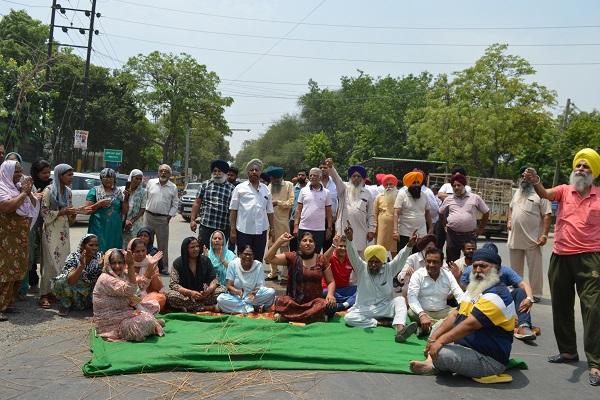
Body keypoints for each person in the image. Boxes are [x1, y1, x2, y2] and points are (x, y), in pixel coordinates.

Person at [523, 148, 600, 386]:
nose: (581, 169)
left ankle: (596, 362)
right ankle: (568, 351)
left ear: (594, 172)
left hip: (590, 258)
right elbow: (545, 193)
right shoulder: (564, 191)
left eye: (586, 166)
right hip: (561, 256)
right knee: (561, 305)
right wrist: (535, 181)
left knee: (593, 308)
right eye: (578, 165)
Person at [409, 245, 516, 378]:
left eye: (483, 266)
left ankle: (435, 364)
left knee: (442, 353)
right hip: (469, 345)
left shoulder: (497, 295)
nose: (478, 270)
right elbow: (455, 314)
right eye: (475, 266)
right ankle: (430, 362)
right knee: (438, 327)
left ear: (497, 269)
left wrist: (440, 341)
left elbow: (470, 325)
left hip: (488, 358)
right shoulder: (475, 289)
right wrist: (433, 338)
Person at [343, 223, 419, 343]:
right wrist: (350, 239)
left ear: (382, 262)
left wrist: (409, 245)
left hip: (384, 308)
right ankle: (382, 323)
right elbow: (353, 255)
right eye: (371, 261)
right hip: (365, 309)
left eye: (376, 262)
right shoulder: (361, 268)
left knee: (399, 300)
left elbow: (400, 258)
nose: (373, 264)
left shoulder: (389, 269)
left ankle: (400, 329)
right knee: (349, 318)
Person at [460, 243, 536, 342]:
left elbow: (523, 284)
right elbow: (462, 286)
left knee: (520, 292)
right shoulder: (471, 269)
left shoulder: (505, 270)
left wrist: (529, 298)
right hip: (479, 301)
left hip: (501, 301)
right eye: (477, 265)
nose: (479, 269)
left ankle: (524, 325)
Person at [93, 249, 164, 342]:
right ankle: (151, 325)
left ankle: (151, 324)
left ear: (124, 263)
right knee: (147, 320)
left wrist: (150, 265)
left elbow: (141, 286)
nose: (117, 266)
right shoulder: (105, 278)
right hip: (112, 323)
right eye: (113, 263)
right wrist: (131, 265)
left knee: (154, 304)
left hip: (126, 312)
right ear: (108, 264)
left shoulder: (124, 274)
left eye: (120, 262)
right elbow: (130, 290)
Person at [265, 232, 337, 323]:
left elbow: (331, 281)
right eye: (304, 240)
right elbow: (268, 259)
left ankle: (288, 317)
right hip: (294, 302)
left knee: (331, 307)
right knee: (280, 301)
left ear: (314, 245)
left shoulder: (321, 259)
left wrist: (330, 294)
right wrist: (279, 241)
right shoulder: (292, 257)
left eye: (311, 241)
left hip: (314, 303)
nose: (308, 243)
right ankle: (315, 318)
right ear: (299, 244)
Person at [0, 160, 38, 321]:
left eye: (20, 171)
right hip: (6, 238)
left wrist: (27, 192)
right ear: (7, 172)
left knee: (17, 269)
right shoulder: (2, 188)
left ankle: (7, 303)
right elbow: (7, 207)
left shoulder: (16, 188)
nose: (19, 175)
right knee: (4, 270)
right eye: (16, 171)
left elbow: (34, 205)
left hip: (19, 237)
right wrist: (23, 193)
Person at [507, 167, 552, 301]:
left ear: (533, 177)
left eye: (528, 176)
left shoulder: (541, 193)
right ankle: (517, 290)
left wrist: (544, 235)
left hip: (533, 239)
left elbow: (547, 215)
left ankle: (536, 294)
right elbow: (510, 208)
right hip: (514, 237)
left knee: (535, 268)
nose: (524, 179)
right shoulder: (517, 192)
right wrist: (509, 220)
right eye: (523, 176)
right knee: (515, 268)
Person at [39, 164, 77, 309]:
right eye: (68, 175)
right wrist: (60, 213)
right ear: (59, 176)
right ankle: (44, 294)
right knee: (49, 263)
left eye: (71, 175)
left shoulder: (68, 192)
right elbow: (44, 212)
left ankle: (55, 292)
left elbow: (70, 212)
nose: (71, 177)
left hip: (63, 231)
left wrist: (73, 213)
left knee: (62, 262)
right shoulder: (49, 191)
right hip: (50, 230)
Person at [407, 247, 464, 337]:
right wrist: (422, 315)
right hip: (423, 311)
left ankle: (428, 328)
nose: (431, 264)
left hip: (443, 311)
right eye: (428, 261)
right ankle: (441, 327)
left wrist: (464, 307)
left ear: (441, 263)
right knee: (411, 312)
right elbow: (412, 297)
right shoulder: (417, 275)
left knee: (459, 313)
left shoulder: (448, 275)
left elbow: (458, 293)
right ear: (425, 261)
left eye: (435, 262)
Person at [229, 159, 274, 263]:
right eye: (252, 170)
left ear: (260, 173)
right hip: (243, 231)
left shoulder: (266, 189)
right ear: (248, 172)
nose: (254, 172)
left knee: (258, 259)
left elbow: (270, 211)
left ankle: (256, 279)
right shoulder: (239, 188)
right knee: (243, 259)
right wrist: (232, 230)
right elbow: (233, 210)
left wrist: (272, 229)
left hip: (261, 231)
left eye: (257, 170)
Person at [328, 160, 376, 256]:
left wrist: (371, 230)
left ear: (363, 179)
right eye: (354, 176)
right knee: (342, 254)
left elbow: (371, 214)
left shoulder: (367, 194)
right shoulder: (344, 189)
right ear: (350, 178)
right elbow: (337, 179)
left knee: (359, 256)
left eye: (359, 176)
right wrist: (331, 168)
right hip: (343, 229)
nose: (356, 178)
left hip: (361, 230)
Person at [439, 173, 489, 262]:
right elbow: (440, 212)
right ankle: (453, 276)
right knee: (452, 261)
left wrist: (481, 228)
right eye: (454, 186)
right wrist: (444, 225)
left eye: (459, 185)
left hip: (469, 235)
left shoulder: (475, 198)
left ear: (464, 185)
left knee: (471, 259)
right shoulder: (448, 199)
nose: (456, 187)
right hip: (452, 235)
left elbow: (486, 212)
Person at [166, 237, 224, 312]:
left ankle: (190, 307)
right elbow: (174, 284)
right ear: (186, 249)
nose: (196, 249)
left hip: (204, 295)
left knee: (222, 290)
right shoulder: (177, 263)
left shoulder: (205, 260)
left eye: (197, 246)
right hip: (186, 296)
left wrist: (209, 290)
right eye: (192, 247)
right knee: (171, 296)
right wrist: (190, 293)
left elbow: (215, 279)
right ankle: (205, 308)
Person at [20, 159, 52, 296]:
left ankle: (42, 284)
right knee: (30, 253)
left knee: (42, 254)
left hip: (46, 224)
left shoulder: (52, 185)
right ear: (36, 172)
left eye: (48, 172)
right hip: (32, 224)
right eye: (43, 172)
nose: (47, 175)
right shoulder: (29, 184)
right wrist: (33, 196)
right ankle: (30, 282)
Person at [52, 234, 103, 316]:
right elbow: (70, 281)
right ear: (83, 246)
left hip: (91, 292)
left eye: (96, 245)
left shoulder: (100, 257)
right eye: (91, 245)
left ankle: (93, 306)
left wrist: (103, 268)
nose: (94, 248)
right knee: (60, 281)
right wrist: (81, 266)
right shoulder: (73, 257)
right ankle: (66, 305)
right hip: (76, 289)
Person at [216, 245, 276, 314]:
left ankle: (245, 307)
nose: (248, 257)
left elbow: (260, 286)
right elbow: (229, 286)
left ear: (253, 256)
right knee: (220, 299)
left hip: (252, 298)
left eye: (250, 255)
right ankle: (252, 308)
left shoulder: (258, 265)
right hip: (237, 297)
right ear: (240, 254)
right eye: (245, 254)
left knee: (271, 292)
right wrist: (238, 292)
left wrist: (254, 293)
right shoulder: (233, 264)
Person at [190, 160, 235, 249]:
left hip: (223, 227)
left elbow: (233, 210)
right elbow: (197, 202)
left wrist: (233, 230)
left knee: (220, 254)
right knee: (203, 252)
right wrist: (192, 220)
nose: (217, 173)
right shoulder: (205, 185)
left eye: (219, 171)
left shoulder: (231, 189)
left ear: (225, 173)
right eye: (215, 171)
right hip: (206, 226)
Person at [145, 164, 179, 274]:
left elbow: (175, 204)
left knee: (162, 245)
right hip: (149, 216)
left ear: (169, 174)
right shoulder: (151, 183)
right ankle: (144, 265)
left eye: (166, 171)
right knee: (145, 242)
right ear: (158, 172)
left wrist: (169, 216)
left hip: (163, 219)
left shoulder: (173, 187)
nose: (163, 173)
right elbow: (145, 197)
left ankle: (163, 268)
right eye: (161, 171)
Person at [85, 168, 128, 253]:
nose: (108, 179)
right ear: (101, 179)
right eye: (105, 177)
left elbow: (124, 211)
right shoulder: (95, 191)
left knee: (114, 251)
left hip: (114, 228)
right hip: (98, 227)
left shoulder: (118, 192)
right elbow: (87, 210)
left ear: (114, 179)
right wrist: (98, 204)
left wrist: (126, 198)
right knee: (98, 249)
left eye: (111, 177)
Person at [293, 167, 333, 253]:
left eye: (315, 175)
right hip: (303, 227)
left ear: (320, 177)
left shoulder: (326, 192)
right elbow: (298, 210)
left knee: (316, 253)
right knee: (301, 253)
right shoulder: (303, 191)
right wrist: (296, 225)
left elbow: (329, 212)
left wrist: (329, 228)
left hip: (319, 230)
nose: (312, 177)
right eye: (310, 175)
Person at [265, 166, 294, 281]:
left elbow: (291, 202)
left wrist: (278, 202)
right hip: (270, 223)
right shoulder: (269, 186)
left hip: (283, 222)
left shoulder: (289, 185)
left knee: (284, 248)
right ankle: (273, 272)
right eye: (272, 179)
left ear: (280, 177)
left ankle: (285, 274)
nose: (274, 181)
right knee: (271, 246)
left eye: (276, 179)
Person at [393, 171, 432, 250]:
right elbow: (396, 213)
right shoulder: (402, 194)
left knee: (419, 255)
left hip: (421, 232)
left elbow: (427, 212)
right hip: (404, 232)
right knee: (403, 256)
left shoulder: (424, 195)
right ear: (409, 184)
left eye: (418, 182)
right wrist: (395, 231)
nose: (416, 185)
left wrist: (431, 228)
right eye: (414, 182)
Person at [128, 238, 166, 311]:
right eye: (137, 251)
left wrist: (152, 268)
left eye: (143, 250)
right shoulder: (127, 263)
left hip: (146, 298)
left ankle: (142, 311)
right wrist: (149, 270)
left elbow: (157, 288)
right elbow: (137, 287)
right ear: (131, 252)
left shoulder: (151, 261)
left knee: (161, 297)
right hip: (130, 298)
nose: (141, 254)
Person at [322, 235, 356, 311]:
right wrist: (333, 245)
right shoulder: (331, 256)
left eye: (345, 246)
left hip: (345, 289)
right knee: (324, 293)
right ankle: (349, 302)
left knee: (360, 290)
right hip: (330, 290)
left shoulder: (350, 258)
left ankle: (342, 305)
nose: (343, 248)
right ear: (336, 246)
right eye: (340, 246)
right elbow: (323, 260)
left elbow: (360, 269)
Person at [374, 174, 399, 255]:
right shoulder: (379, 197)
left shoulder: (400, 196)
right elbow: (374, 213)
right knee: (380, 250)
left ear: (395, 185)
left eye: (391, 184)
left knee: (395, 252)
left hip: (396, 229)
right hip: (382, 229)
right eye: (386, 185)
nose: (388, 186)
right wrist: (373, 229)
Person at [122, 169, 147, 247]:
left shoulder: (143, 192)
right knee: (122, 245)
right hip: (122, 221)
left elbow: (142, 209)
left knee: (134, 245)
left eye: (140, 179)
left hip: (136, 223)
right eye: (136, 178)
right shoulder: (122, 190)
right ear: (131, 178)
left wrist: (131, 222)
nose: (138, 181)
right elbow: (119, 207)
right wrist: (125, 221)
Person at [320, 159, 339, 251]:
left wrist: (337, 216)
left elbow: (340, 200)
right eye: (321, 167)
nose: (323, 169)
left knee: (328, 249)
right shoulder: (311, 183)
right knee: (314, 247)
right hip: (316, 220)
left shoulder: (336, 183)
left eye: (325, 167)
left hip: (331, 220)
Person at [289, 168, 308, 252]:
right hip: (293, 219)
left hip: (305, 220)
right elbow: (290, 204)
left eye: (302, 175)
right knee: (293, 244)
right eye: (299, 175)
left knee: (303, 243)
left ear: (306, 177)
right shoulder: (293, 189)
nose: (300, 176)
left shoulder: (309, 189)